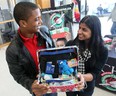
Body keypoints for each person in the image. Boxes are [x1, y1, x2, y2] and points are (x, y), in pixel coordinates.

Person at [5, 2, 57, 96]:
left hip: (53, 81)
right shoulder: (12, 50)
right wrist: (31, 85)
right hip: (38, 89)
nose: (41, 22)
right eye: (37, 19)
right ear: (23, 23)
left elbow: (54, 51)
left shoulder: (44, 31)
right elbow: (18, 75)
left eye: (40, 18)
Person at [66, 15, 108, 96]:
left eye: (84, 29)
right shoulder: (71, 45)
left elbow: (95, 73)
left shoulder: (102, 50)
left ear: (94, 31)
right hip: (70, 83)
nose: (79, 32)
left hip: (87, 86)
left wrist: (81, 77)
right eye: (79, 28)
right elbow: (64, 63)